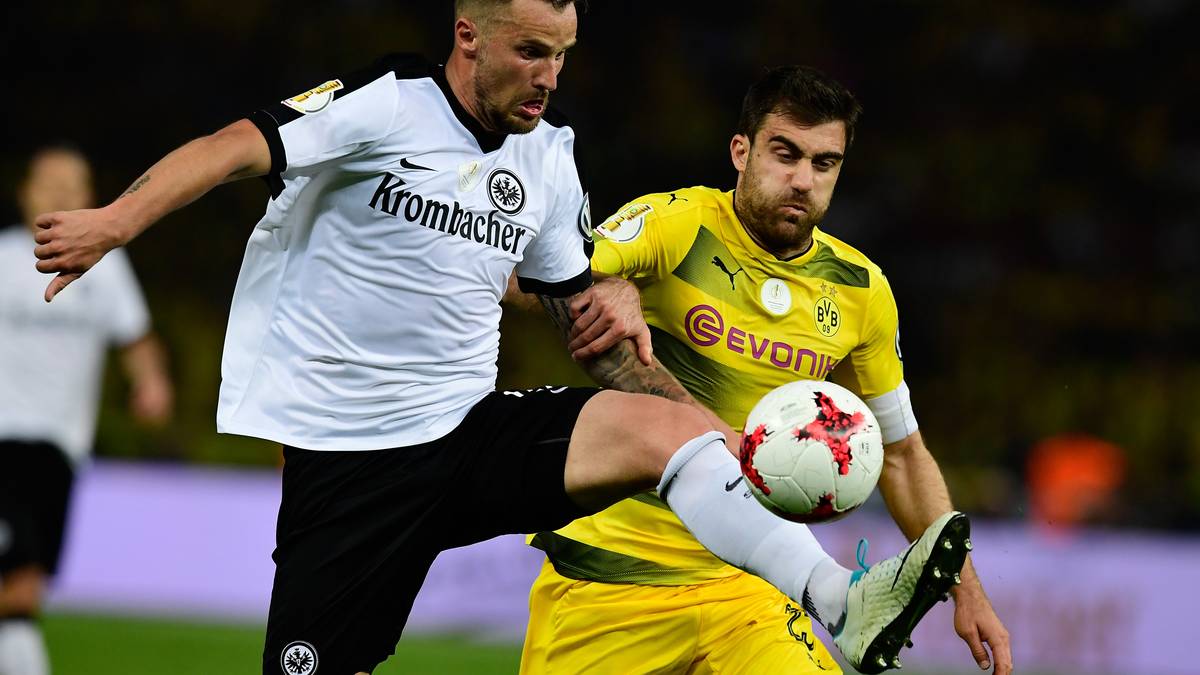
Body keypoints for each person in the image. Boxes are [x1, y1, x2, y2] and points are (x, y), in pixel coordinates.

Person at [31, 2, 970, 673]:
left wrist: (713, 426)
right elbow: (235, 145)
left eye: (562, 54)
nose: (549, 76)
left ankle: (837, 600)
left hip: (466, 431)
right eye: (530, 51)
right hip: (349, 462)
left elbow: (588, 330)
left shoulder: (549, 162)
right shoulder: (384, 105)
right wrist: (116, 221)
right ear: (468, 35)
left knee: (668, 433)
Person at [517, 66, 1013, 674]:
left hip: (751, 586)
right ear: (741, 151)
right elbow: (528, 279)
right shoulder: (679, 226)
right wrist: (608, 278)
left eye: (824, 163)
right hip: (609, 579)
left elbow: (903, 454)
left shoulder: (860, 291)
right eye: (786, 154)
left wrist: (967, 589)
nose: (803, 180)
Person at [0, 144, 173, 675]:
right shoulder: (3, 258)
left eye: (72, 184)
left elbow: (136, 337)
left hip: (61, 449)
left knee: (26, 591)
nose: (59, 192)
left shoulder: (105, 267)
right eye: (49, 182)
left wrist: (151, 381)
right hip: (3, 438)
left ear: (89, 196)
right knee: (17, 584)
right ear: (26, 192)